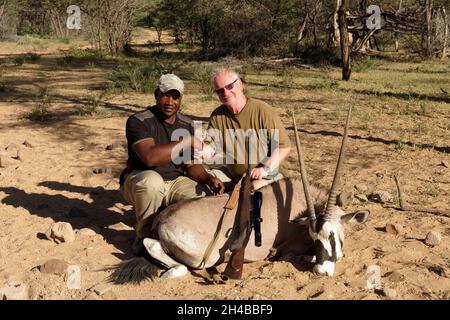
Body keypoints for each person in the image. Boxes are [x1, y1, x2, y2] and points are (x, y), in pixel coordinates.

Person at [120, 74, 224, 254]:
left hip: (175, 181)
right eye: (165, 95)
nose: (170, 101)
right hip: (139, 180)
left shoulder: (187, 124)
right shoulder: (138, 121)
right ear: (156, 95)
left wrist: (208, 178)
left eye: (175, 97)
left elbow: (191, 165)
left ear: (181, 99)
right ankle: (143, 238)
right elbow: (150, 158)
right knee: (152, 183)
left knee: (203, 197)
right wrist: (188, 141)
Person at [197, 68, 291, 191]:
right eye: (220, 91)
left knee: (254, 190)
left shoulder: (263, 111)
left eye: (230, 86)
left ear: (240, 84)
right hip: (232, 174)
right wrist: (202, 150)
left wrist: (265, 169)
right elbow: (211, 145)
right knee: (204, 183)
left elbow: (284, 146)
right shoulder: (217, 115)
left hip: (264, 175)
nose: (225, 93)